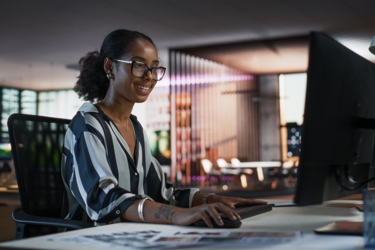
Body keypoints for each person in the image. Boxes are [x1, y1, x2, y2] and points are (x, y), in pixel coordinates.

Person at [61, 29, 266, 228]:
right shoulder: (88, 125)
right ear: (110, 67)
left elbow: (162, 195)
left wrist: (214, 200)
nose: (149, 76)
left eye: (154, 68)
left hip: (137, 234)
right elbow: (104, 200)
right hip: (93, 237)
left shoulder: (135, 128)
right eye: (139, 65)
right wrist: (175, 215)